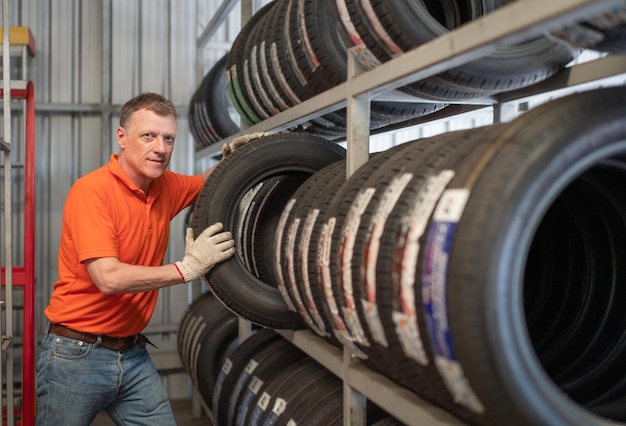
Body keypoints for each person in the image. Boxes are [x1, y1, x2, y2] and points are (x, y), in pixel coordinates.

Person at [36, 92, 238, 425]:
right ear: (122, 138)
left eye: (168, 138)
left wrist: (241, 155)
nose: (160, 147)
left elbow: (209, 182)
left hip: (132, 355)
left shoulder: (165, 186)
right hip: (76, 355)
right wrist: (185, 269)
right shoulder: (93, 192)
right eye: (149, 135)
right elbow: (108, 277)